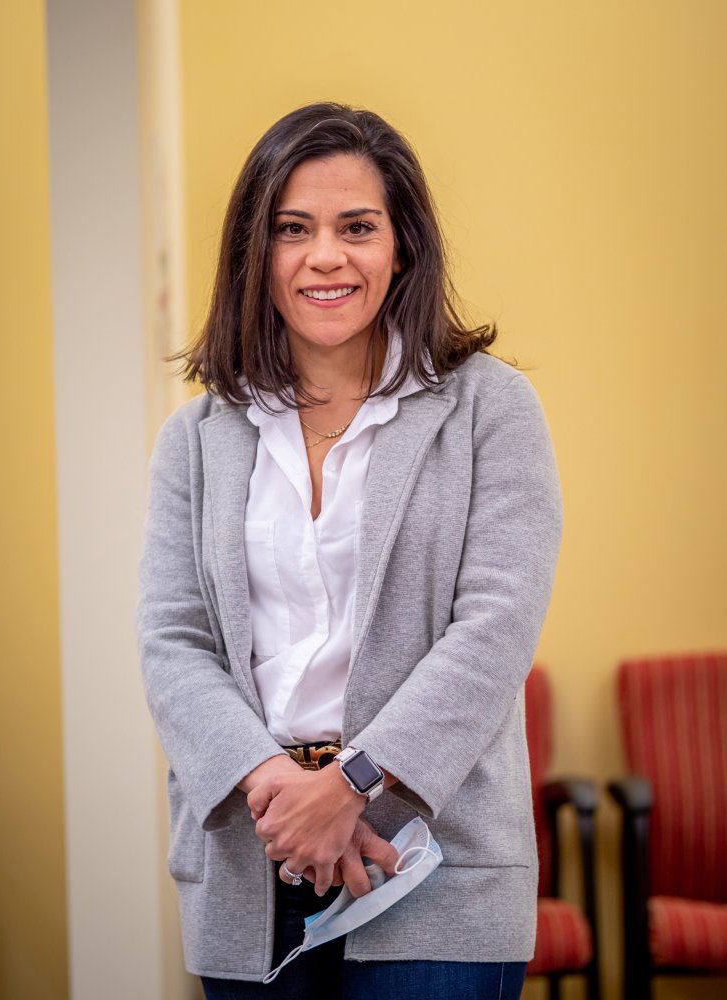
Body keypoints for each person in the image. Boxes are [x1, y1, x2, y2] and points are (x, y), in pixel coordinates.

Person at [137, 102, 562, 1000]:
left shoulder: (490, 410)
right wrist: (281, 793)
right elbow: (174, 644)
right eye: (294, 230)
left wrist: (353, 787)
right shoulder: (195, 438)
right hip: (258, 855)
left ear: (401, 245)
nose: (326, 256)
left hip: (433, 863)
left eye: (356, 227)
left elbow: (495, 629)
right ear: (258, 253)